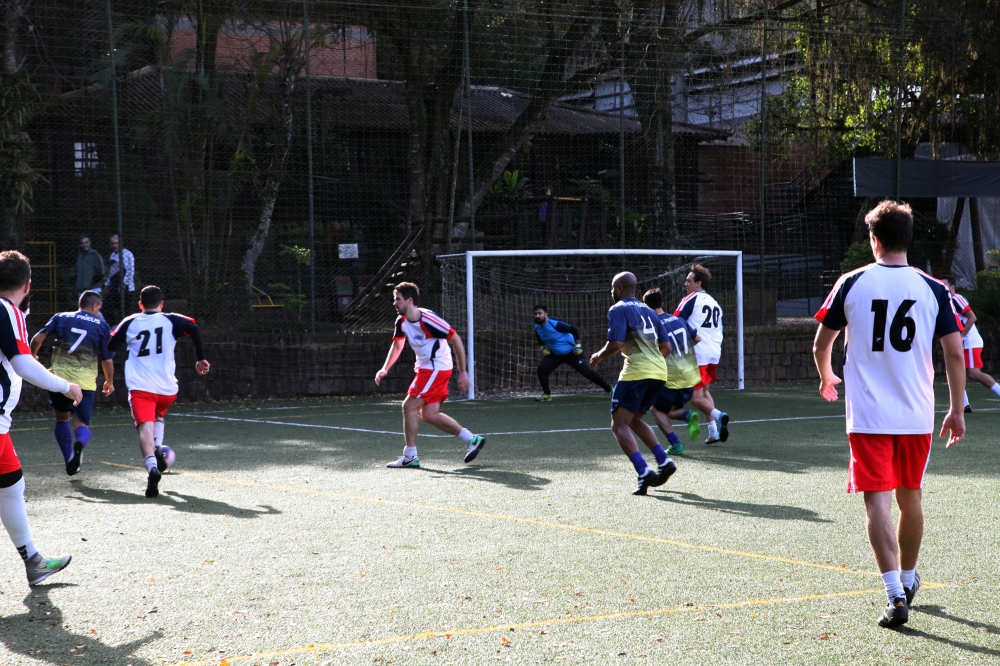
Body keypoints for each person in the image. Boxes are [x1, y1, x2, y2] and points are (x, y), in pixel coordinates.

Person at [813, 200, 966, 628]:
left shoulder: (852, 282)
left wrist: (826, 375)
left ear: (874, 239)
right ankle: (909, 578)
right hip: (916, 414)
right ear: (907, 239)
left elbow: (821, 343)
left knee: (877, 500)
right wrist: (956, 408)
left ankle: (895, 594)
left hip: (867, 417)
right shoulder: (934, 288)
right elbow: (955, 352)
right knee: (910, 497)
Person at [0, 250, 81, 585]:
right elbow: (22, 363)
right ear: (28, 285)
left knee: (11, 485)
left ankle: (33, 561)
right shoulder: (7, 309)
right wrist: (65, 386)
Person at [109, 285, 210, 498]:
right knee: (158, 415)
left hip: (142, 388)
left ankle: (152, 468)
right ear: (161, 304)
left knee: (145, 428)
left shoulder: (130, 322)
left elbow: (110, 344)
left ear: (140, 304)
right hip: (167, 389)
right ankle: (157, 448)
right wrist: (201, 358)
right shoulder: (171, 320)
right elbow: (194, 328)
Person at [375, 282, 486, 468]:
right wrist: (385, 368)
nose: (394, 303)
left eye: (398, 299)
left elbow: (456, 339)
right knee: (429, 414)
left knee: (408, 406)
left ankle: (410, 456)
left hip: (436, 368)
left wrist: (463, 372)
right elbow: (398, 345)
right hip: (427, 368)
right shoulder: (401, 321)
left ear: (409, 300)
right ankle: (471, 439)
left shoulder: (428, 320)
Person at [590, 272, 676, 496]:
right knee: (633, 420)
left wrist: (598, 356)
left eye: (612, 287)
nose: (611, 292)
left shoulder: (618, 309)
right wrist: (651, 363)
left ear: (619, 288)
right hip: (659, 372)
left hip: (637, 373)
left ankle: (643, 471)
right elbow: (666, 347)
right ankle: (664, 460)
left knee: (618, 425)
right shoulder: (650, 311)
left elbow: (616, 343)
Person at [29, 291, 115, 476]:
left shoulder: (61, 317)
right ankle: (80, 444)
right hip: (84, 382)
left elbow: (37, 338)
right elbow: (107, 360)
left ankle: (69, 458)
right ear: (94, 306)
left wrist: (33, 356)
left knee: (62, 418)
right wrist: (109, 381)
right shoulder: (101, 325)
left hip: (59, 380)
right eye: (99, 308)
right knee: (82, 424)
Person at [674, 264, 729, 444]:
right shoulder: (714, 303)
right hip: (713, 353)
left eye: (689, 281)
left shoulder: (691, 298)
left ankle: (719, 415)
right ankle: (713, 432)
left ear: (698, 283)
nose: (686, 284)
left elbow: (676, 321)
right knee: (704, 392)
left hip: (697, 353)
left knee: (695, 397)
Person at [642, 288, 702, 456]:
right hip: (689, 374)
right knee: (670, 411)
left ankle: (676, 444)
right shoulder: (679, 319)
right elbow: (697, 339)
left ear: (646, 307)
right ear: (662, 303)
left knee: (656, 409)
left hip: (670, 377)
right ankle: (688, 416)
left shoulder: (652, 326)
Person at [533, 304, 612, 401]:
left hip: (572, 353)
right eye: (535, 314)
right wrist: (543, 348)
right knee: (541, 369)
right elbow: (539, 338)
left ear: (546, 314)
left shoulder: (555, 324)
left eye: (540, 313)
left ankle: (610, 390)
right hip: (555, 354)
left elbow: (574, 330)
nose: (537, 316)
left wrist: (577, 346)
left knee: (587, 372)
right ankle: (547, 395)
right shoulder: (537, 327)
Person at [944, 275, 1000, 413]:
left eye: (945, 285)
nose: (942, 288)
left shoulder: (956, 298)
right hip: (962, 342)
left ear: (952, 287)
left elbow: (972, 317)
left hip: (969, 341)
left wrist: (961, 336)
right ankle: (964, 405)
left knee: (974, 373)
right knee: (954, 370)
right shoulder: (945, 302)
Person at [104, 234, 135, 322]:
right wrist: (107, 284)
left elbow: (130, 271)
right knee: (108, 307)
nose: (114, 245)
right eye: (112, 243)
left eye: (116, 243)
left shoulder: (128, 254)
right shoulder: (112, 255)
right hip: (114, 286)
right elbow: (111, 272)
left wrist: (124, 284)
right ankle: (113, 325)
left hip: (126, 288)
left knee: (125, 311)